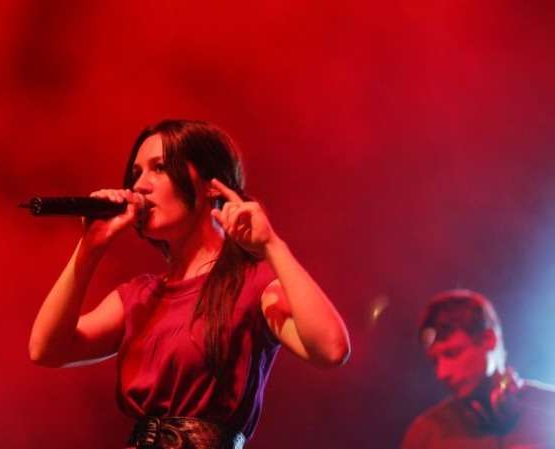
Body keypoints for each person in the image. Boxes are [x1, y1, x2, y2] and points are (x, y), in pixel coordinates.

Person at [29, 119, 351, 449]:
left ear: (212, 185)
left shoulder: (253, 285)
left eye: (159, 168)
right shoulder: (139, 297)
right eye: (136, 173)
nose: (140, 186)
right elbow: (46, 349)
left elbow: (331, 348)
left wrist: (272, 245)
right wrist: (89, 249)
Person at [402, 289, 555, 449]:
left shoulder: (550, 407)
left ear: (489, 339)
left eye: (452, 353)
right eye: (435, 361)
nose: (442, 372)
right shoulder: (425, 433)